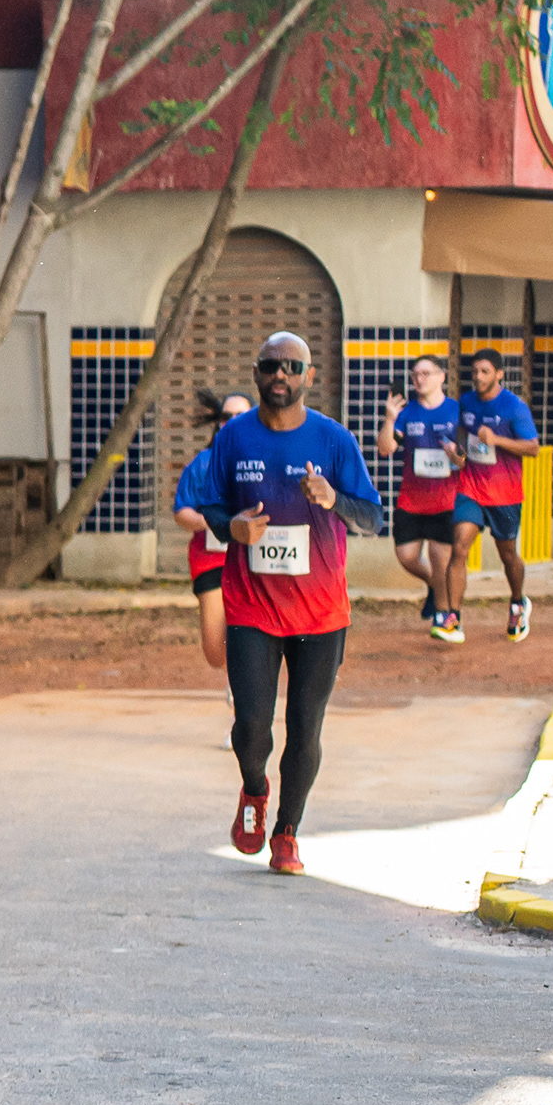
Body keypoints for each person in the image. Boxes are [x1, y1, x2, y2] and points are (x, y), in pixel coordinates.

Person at [176, 329, 383, 876]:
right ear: (257, 373)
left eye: (292, 366)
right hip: (252, 607)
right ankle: (254, 787)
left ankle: (287, 832)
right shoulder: (235, 437)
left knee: (305, 727)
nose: (281, 376)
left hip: (320, 611)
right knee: (251, 727)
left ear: (309, 376)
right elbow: (208, 505)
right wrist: (232, 527)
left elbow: (372, 516)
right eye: (271, 366)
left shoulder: (334, 440)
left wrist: (334, 499)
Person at [453, 346, 539, 642]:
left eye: (484, 372)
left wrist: (497, 440)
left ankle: (518, 602)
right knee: (459, 546)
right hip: (471, 486)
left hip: (505, 493)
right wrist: (459, 451)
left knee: (508, 554)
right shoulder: (466, 401)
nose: (478, 377)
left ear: (499, 374)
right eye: (475, 371)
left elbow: (533, 448)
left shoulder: (514, 407)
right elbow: (462, 430)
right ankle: (452, 618)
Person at [381, 354, 467, 640]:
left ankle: (445, 617)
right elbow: (385, 448)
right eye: (415, 374)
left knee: (440, 558)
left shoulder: (456, 411)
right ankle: (436, 587)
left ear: (441, 376)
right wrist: (390, 418)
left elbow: (467, 458)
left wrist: (457, 457)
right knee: (406, 557)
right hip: (411, 500)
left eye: (426, 373)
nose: (419, 379)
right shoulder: (407, 413)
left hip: (447, 500)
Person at [190, 390, 251, 680]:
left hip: (256, 560)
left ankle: (246, 692)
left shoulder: (268, 460)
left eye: (242, 416)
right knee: (215, 650)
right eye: (228, 416)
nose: (234, 421)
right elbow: (181, 511)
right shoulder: (203, 463)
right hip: (212, 558)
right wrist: (217, 522)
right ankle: (235, 679)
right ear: (219, 421)